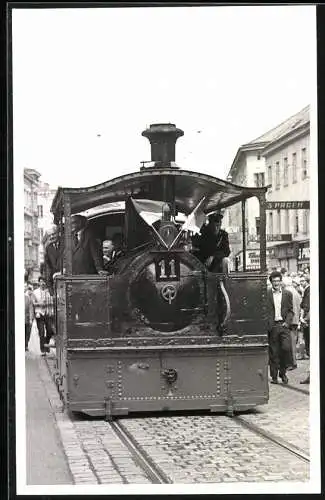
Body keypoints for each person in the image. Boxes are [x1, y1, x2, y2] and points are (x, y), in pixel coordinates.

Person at [266, 271, 294, 384]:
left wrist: (287, 323)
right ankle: (274, 376)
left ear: (281, 281)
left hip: (283, 325)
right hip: (273, 327)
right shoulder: (266, 294)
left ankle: (283, 372)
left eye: (278, 281)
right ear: (271, 282)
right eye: (274, 281)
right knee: (274, 352)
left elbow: (291, 311)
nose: (276, 283)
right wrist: (268, 324)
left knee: (286, 348)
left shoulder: (287, 294)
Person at [31, 276, 55, 356]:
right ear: (39, 283)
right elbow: (33, 303)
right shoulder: (35, 292)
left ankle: (46, 344)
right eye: (41, 282)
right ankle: (43, 350)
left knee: (49, 331)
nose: (42, 283)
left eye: (43, 282)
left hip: (47, 314)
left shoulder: (48, 292)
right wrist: (39, 303)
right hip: (39, 314)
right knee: (41, 333)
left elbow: (51, 301)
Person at [283, 277, 302, 370]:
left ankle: (291, 363)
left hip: (289, 321)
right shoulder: (296, 293)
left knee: (289, 344)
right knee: (293, 342)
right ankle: (293, 362)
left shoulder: (287, 293)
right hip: (295, 320)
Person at [44, 225, 61, 294]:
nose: (51, 237)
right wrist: (50, 287)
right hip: (55, 282)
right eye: (49, 235)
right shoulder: (48, 248)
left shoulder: (66, 243)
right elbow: (48, 267)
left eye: (53, 234)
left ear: (59, 233)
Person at [300, 273, 310, 384]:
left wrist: (304, 319)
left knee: (310, 348)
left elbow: (306, 305)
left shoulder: (308, 290)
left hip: (309, 322)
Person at [24, 283, 34, 351]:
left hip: (27, 318)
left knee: (28, 332)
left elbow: (31, 309)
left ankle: (26, 345)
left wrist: (30, 319)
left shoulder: (28, 298)